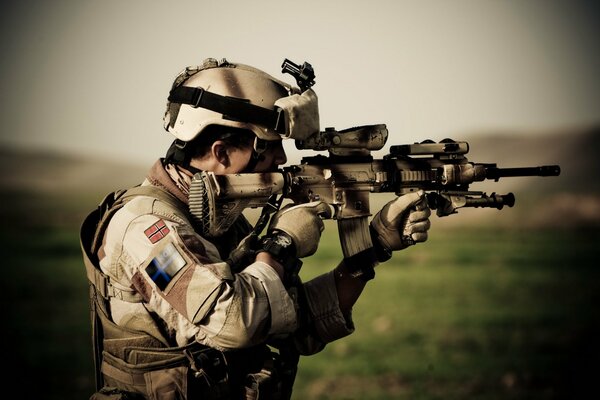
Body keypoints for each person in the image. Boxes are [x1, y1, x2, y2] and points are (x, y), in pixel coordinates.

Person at [80, 57, 431, 399]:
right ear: (222, 152)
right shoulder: (146, 227)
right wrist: (281, 242)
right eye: (270, 146)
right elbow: (236, 323)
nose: (281, 159)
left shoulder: (217, 220)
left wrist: (373, 246)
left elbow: (296, 326)